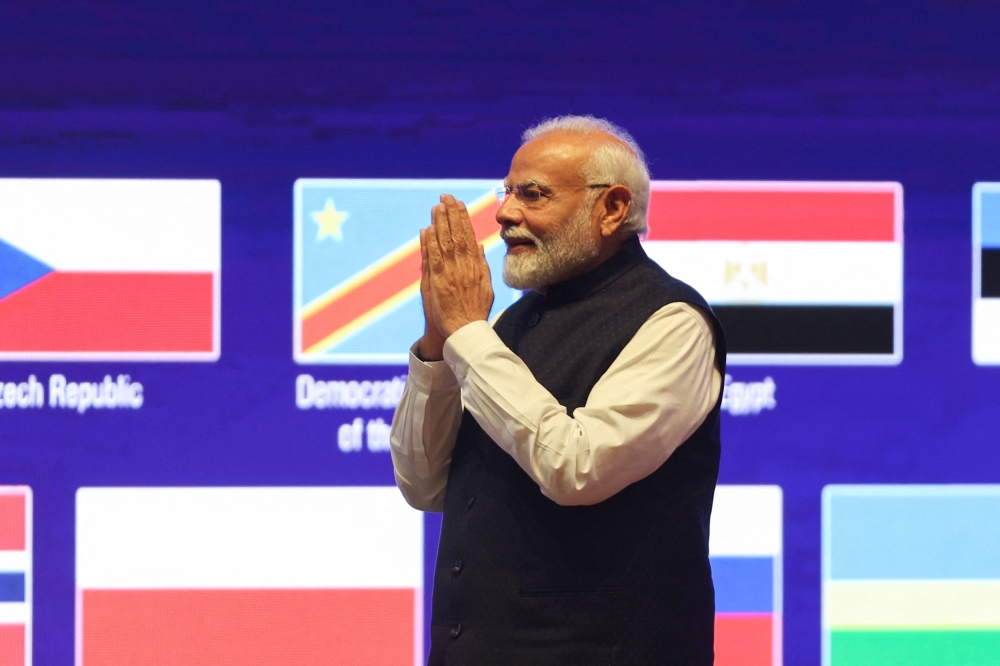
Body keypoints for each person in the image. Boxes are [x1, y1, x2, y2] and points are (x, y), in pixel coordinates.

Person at [389, 115, 726, 665]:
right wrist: (439, 340)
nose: (505, 213)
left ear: (612, 209)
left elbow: (578, 468)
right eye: (507, 192)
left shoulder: (673, 321)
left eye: (533, 195)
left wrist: (470, 336)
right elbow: (425, 485)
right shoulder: (511, 326)